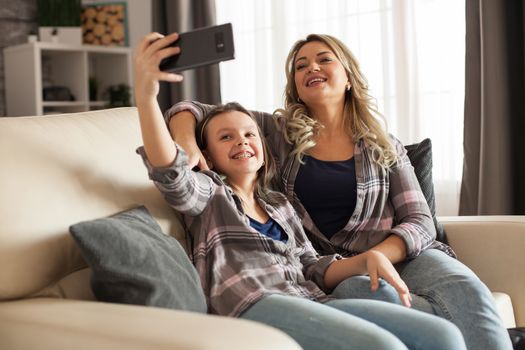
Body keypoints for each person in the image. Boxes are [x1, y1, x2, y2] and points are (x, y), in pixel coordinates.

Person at [167, 34, 513, 350]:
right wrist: (185, 141)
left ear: (348, 77)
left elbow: (420, 219)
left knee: (467, 293)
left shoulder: (385, 145)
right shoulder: (276, 132)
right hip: (333, 271)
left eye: (324, 59)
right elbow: (198, 112)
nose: (311, 67)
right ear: (297, 89)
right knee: (367, 294)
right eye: (301, 66)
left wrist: (378, 255)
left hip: (406, 255)